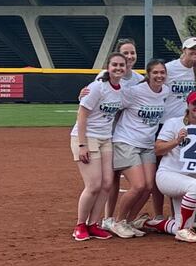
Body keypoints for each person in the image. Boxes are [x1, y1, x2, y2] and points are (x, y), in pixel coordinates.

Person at [109, 59, 169, 239]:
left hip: (147, 144)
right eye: (155, 73)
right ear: (148, 75)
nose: (159, 76)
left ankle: (129, 221)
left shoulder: (165, 91)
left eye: (162, 72)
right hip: (127, 141)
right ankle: (117, 221)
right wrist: (85, 95)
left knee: (149, 186)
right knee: (138, 185)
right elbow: (112, 102)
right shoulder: (134, 92)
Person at [70, 52, 127, 241]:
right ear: (107, 67)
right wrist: (82, 144)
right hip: (87, 137)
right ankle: (80, 225)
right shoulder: (97, 87)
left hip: (105, 138)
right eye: (115, 65)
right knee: (93, 185)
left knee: (107, 184)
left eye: (122, 65)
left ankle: (93, 224)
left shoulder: (122, 89)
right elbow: (82, 115)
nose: (118, 68)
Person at [146, 91, 196, 243]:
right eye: (195, 103)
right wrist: (176, 141)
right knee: (195, 187)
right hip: (168, 175)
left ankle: (150, 223)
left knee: (183, 220)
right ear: (188, 104)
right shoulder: (174, 123)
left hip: (187, 182)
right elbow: (158, 149)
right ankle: (183, 231)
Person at [162, 37, 196, 122]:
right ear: (184, 50)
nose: (195, 51)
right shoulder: (169, 68)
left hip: (189, 121)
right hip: (168, 120)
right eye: (192, 48)